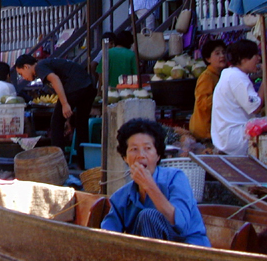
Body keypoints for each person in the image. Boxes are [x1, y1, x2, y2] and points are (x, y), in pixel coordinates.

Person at [101, 118, 210, 246]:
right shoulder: (121, 197)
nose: (141, 155)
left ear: (158, 155)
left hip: (190, 254)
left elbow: (182, 225)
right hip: (146, 258)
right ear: (125, 158)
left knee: (148, 216)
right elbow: (107, 235)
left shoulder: (176, 178)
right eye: (134, 149)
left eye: (147, 148)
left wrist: (149, 186)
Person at [15, 54, 96, 161]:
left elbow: (55, 79)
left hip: (76, 86)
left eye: (21, 74)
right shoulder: (47, 63)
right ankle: (83, 161)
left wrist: (65, 104)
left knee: (56, 122)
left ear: (26, 67)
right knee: (81, 124)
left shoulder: (39, 66)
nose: (23, 77)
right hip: (88, 86)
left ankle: (57, 159)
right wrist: (67, 118)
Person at [211, 39, 265, 155]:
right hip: (235, 138)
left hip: (226, 136)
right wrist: (265, 78)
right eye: (256, 55)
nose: (259, 59)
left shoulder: (230, 74)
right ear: (244, 59)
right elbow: (256, 107)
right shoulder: (237, 78)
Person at [189, 39, 227, 142]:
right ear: (208, 59)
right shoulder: (207, 77)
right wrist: (222, 95)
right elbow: (202, 103)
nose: (222, 56)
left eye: (223, 52)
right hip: (204, 130)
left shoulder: (219, 75)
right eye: (217, 53)